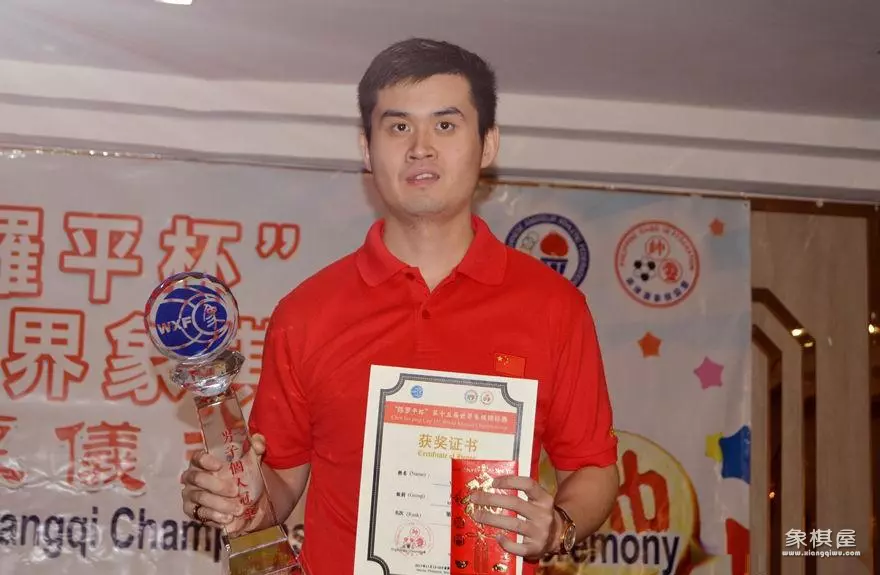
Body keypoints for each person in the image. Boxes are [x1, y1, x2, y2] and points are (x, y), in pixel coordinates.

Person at [180, 37, 619, 575]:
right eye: (398, 127)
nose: (421, 148)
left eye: (446, 125)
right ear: (367, 149)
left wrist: (558, 527)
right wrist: (240, 497)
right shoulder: (307, 313)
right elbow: (280, 483)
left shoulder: (553, 306)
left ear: (488, 145)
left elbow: (594, 468)